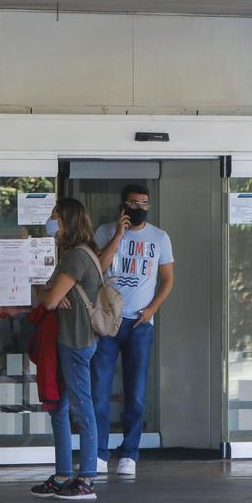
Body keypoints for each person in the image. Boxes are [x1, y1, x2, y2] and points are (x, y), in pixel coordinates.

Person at [91, 184, 174, 478]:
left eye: (144, 203)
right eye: (134, 202)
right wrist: (117, 235)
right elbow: (96, 268)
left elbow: (167, 279)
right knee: (99, 391)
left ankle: (130, 453)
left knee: (135, 393)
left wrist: (152, 309)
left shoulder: (159, 237)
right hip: (108, 322)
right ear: (123, 204)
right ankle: (99, 452)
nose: (140, 206)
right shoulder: (104, 232)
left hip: (140, 324)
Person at [30, 197, 102, 501]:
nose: (51, 221)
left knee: (81, 409)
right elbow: (46, 292)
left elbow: (46, 298)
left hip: (75, 342)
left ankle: (86, 477)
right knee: (58, 408)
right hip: (68, 341)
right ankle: (62, 475)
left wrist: (52, 294)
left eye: (55, 216)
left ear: (67, 221)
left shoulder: (76, 258)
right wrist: (52, 293)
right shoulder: (77, 254)